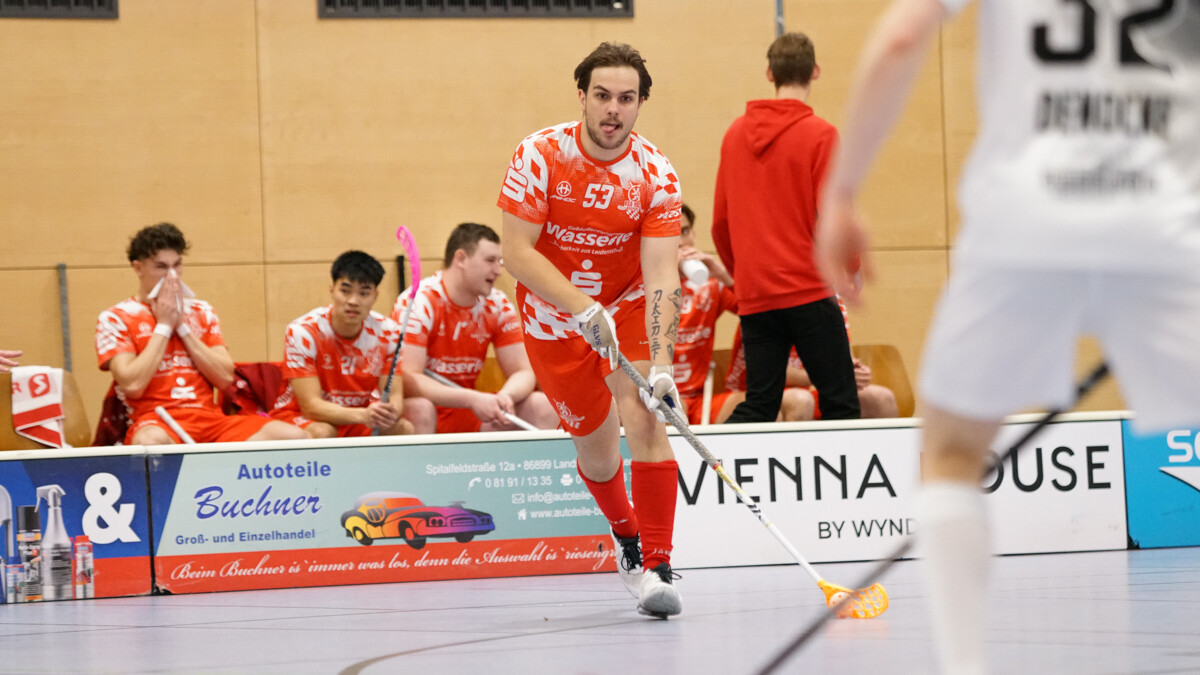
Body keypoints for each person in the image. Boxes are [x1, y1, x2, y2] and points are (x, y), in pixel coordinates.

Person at [815, 1, 1200, 673]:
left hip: (1023, 223)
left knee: (952, 453)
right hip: (1165, 221)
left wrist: (842, 194)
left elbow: (903, 35)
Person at [498, 42, 685, 618]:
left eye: (626, 99)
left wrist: (660, 363)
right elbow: (516, 253)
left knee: (646, 415)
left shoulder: (655, 175)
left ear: (640, 104)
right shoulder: (539, 156)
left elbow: (660, 275)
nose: (613, 110)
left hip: (627, 308)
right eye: (602, 96)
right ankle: (625, 536)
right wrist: (581, 306)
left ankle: (657, 563)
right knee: (599, 455)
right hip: (554, 321)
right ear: (582, 96)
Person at [712, 32, 861, 424]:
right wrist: (853, 267)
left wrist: (745, 275)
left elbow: (720, 224)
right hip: (808, 288)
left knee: (760, 404)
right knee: (841, 401)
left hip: (757, 294)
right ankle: (838, 488)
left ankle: (709, 475)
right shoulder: (822, 135)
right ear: (815, 71)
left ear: (769, 73)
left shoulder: (734, 134)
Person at [95, 223, 308, 445]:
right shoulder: (115, 317)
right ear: (138, 268)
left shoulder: (201, 311)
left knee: (294, 436)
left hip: (211, 421)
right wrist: (164, 327)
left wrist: (182, 328)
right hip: (156, 421)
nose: (172, 276)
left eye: (177, 265)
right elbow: (132, 385)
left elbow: (226, 379)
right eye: (161, 267)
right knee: (149, 442)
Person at [393, 223, 558, 434]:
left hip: (470, 409)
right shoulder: (419, 302)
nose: (498, 271)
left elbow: (523, 371)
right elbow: (408, 379)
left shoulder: (497, 304)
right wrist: (470, 399)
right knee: (421, 409)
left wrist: (505, 397)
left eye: (499, 262)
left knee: (543, 406)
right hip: (428, 407)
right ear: (461, 258)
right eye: (490, 261)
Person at [271, 250, 414, 438]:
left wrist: (389, 412)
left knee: (404, 429)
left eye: (364, 293)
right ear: (332, 290)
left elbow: (395, 396)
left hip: (357, 417)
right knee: (323, 432)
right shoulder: (303, 332)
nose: (353, 301)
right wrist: (363, 415)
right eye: (345, 291)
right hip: (302, 417)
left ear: (375, 295)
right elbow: (310, 406)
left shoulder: (390, 334)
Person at [673, 204, 738, 424]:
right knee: (673, 409)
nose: (681, 241)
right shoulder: (639, 285)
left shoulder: (710, 284)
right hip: (651, 399)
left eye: (684, 231)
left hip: (701, 400)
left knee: (762, 406)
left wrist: (723, 275)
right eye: (671, 234)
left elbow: (756, 313)